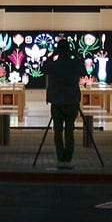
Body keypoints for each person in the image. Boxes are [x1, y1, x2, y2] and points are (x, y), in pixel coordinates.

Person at [43, 39, 87, 169]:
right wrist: (75, 54)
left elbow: (44, 67)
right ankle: (68, 156)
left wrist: (52, 54)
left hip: (57, 101)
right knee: (69, 130)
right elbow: (84, 71)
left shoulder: (55, 65)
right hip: (72, 100)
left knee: (57, 131)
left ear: (58, 50)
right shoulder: (74, 64)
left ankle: (60, 156)